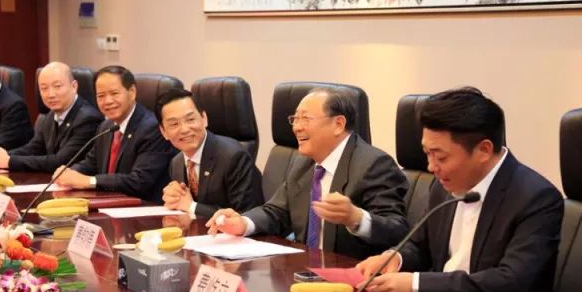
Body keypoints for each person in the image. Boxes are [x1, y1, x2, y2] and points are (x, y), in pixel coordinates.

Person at [357, 87, 563, 292]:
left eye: (441, 157)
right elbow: (419, 246)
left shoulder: (536, 198)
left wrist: (416, 284)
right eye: (427, 153)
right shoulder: (443, 184)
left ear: (483, 150)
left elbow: (510, 282)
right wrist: (395, 259)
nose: (431, 166)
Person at [207, 88, 409, 260]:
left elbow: (398, 231)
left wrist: (356, 218)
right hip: (303, 270)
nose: (296, 127)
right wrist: (243, 223)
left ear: (338, 124)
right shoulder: (303, 163)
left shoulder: (373, 164)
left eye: (305, 118)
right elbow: (276, 212)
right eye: (295, 119)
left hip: (351, 276)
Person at [54, 65, 175, 203]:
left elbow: (139, 181)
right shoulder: (106, 127)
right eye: (101, 96)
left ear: (132, 92)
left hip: (144, 208)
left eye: (114, 93)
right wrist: (69, 173)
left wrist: (90, 181)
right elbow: (91, 163)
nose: (108, 101)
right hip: (110, 203)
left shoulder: (152, 128)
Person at [156, 88, 263, 218]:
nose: (184, 129)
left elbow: (247, 216)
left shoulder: (234, 157)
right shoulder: (176, 163)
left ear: (204, 118)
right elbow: (184, 207)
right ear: (163, 132)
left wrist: (191, 206)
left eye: (190, 119)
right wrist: (174, 198)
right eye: (174, 124)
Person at [0, 62, 102, 172]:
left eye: (57, 86)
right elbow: (34, 148)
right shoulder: (50, 115)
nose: (51, 94)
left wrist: (9, 161)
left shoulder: (88, 119)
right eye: (44, 88)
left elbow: (60, 161)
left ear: (74, 86)